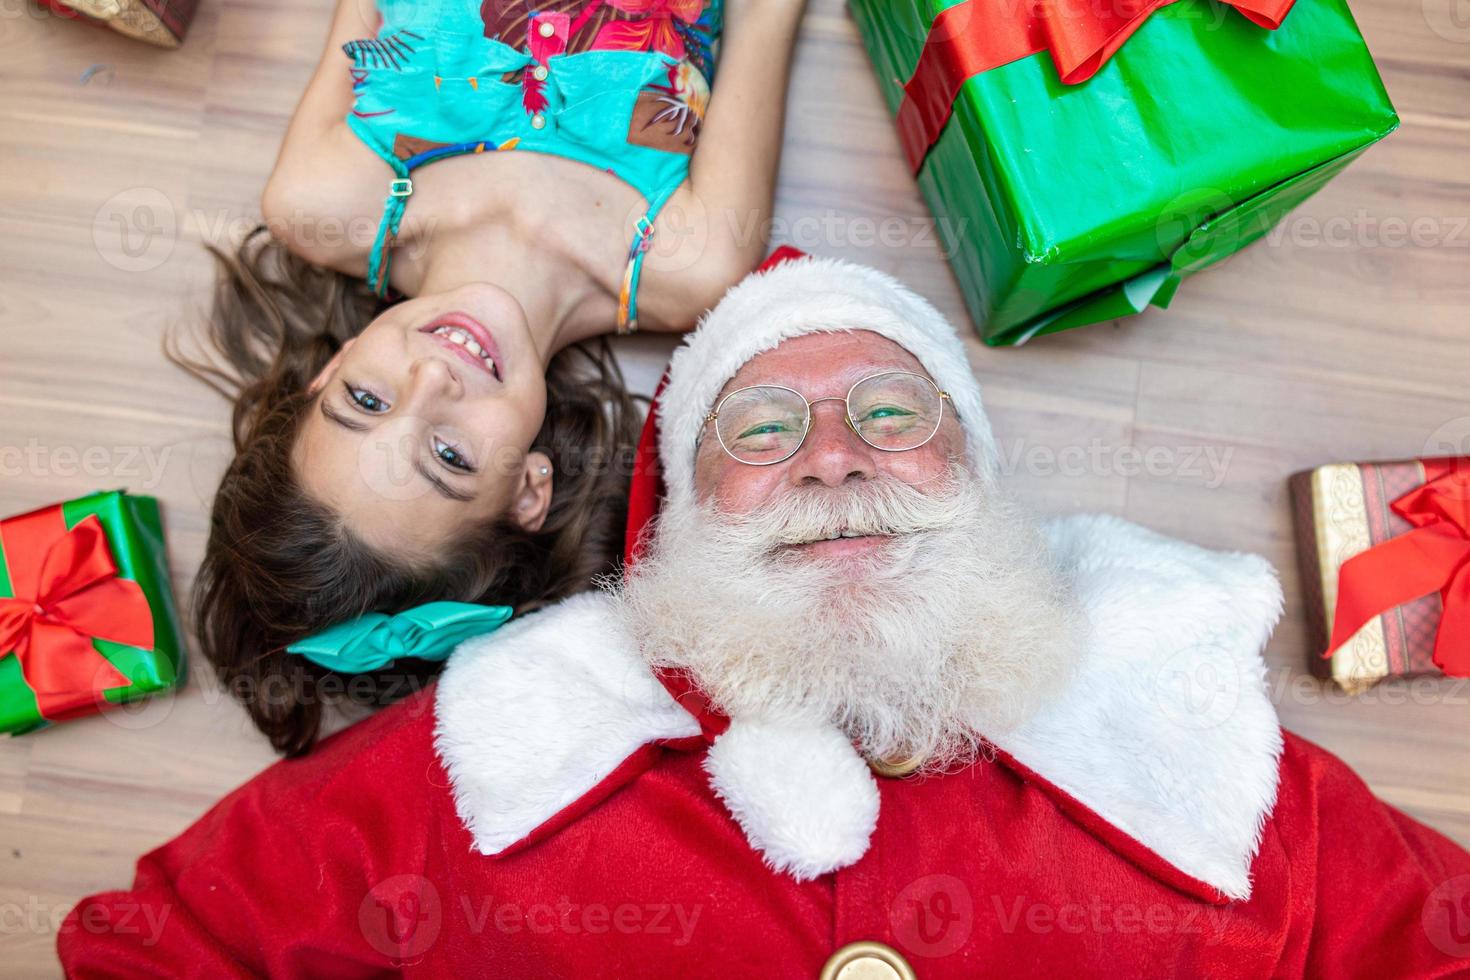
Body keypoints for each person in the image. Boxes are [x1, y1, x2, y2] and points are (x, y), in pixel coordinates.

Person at [59, 253, 1470, 976]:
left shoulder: (1199, 767)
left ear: (975, 475)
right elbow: (164, 951)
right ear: (687, 524)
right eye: (761, 430)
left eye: (890, 412)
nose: (834, 456)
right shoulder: (505, 756)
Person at [180, 0, 808, 754]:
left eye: (368, 399)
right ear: (528, 488)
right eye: (450, 456)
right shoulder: (689, 261)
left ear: (330, 369)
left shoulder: (321, 202)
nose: (433, 382)